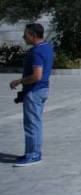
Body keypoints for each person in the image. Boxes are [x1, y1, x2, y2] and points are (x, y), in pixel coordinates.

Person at [9, 23, 54, 167]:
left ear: (33, 35)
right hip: (42, 89)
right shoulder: (47, 47)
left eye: (25, 34)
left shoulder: (36, 52)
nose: (23, 37)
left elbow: (37, 75)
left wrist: (19, 81)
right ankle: (33, 151)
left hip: (34, 90)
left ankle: (33, 154)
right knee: (36, 123)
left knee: (31, 124)